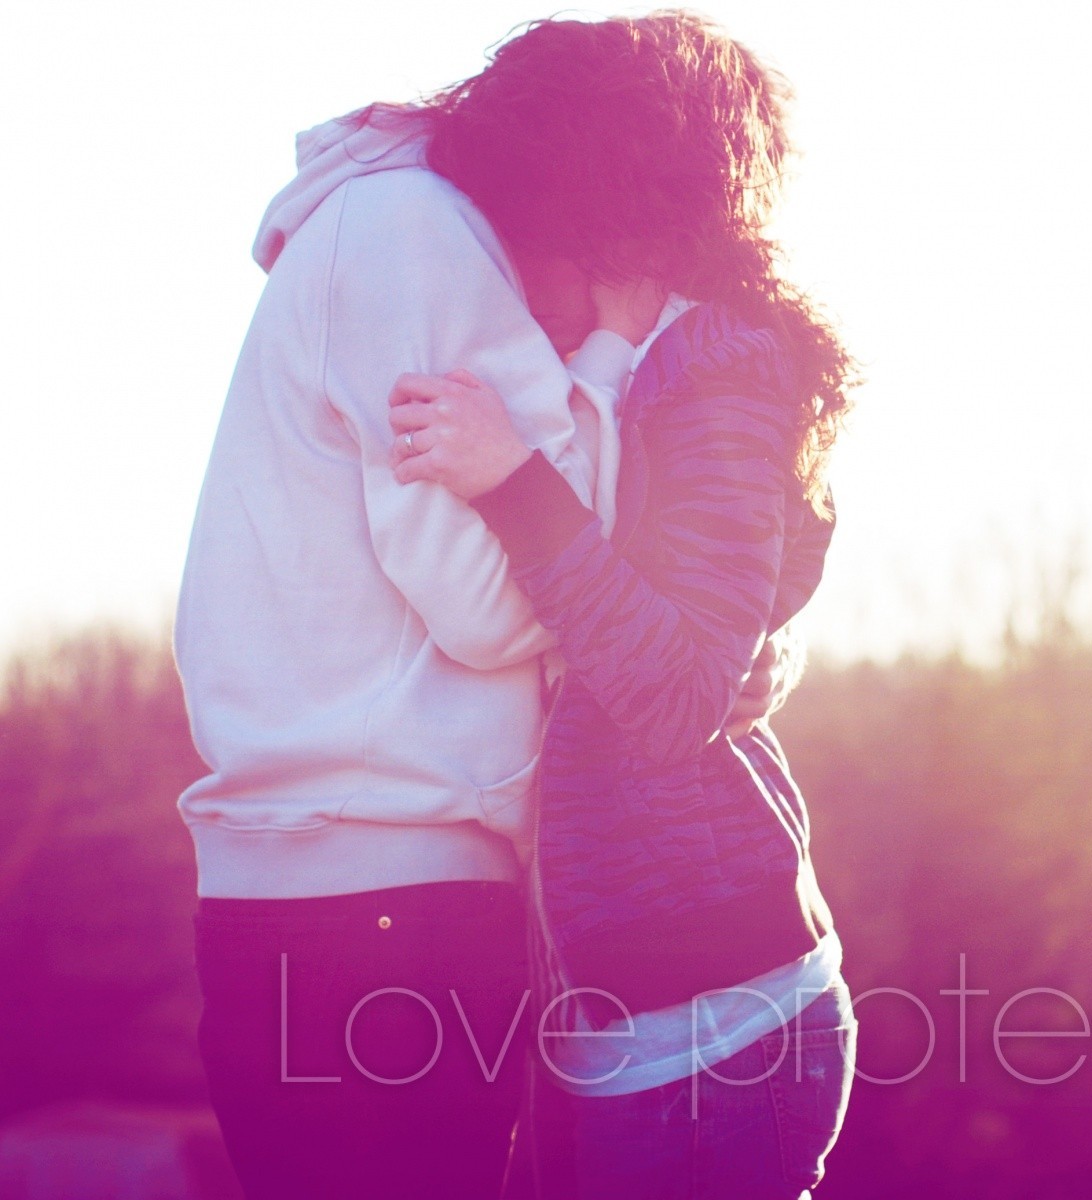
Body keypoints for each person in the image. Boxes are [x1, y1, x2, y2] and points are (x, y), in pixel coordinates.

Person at [173, 21, 793, 1200]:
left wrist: (738, 642)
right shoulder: (421, 238)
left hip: (341, 900)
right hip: (378, 911)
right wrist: (609, 355)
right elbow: (497, 607)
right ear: (602, 200)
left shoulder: (383, 223)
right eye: (637, 253)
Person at [385, 15, 857, 1198]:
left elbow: (677, 692)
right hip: (635, 1026)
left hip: (714, 1038)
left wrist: (510, 483)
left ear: (596, 208)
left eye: (512, 220)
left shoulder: (717, 364)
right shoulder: (638, 365)